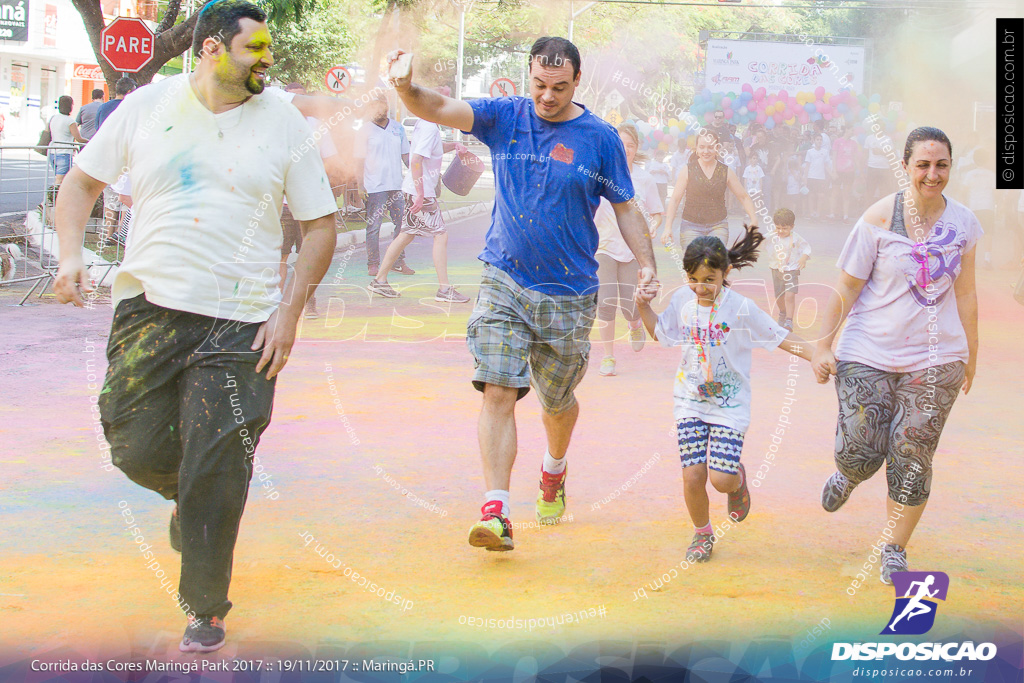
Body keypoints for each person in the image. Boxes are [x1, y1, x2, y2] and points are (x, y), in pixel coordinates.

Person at [52, 0, 340, 651]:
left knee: (218, 458)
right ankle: (187, 497)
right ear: (210, 49)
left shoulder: (283, 123)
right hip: (149, 307)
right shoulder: (146, 106)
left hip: (242, 322)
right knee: (131, 443)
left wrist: (290, 311)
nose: (266, 60)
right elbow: (79, 185)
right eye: (253, 49)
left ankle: (204, 606)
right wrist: (70, 256)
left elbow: (321, 223)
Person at [387, 36, 658, 550]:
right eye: (539, 84)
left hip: (569, 292)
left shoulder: (599, 139)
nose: (547, 96)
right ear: (528, 76)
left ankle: (553, 470)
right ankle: (496, 511)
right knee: (498, 388)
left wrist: (646, 264)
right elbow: (439, 106)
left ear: (578, 82)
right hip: (504, 277)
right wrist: (404, 85)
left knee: (557, 403)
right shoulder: (505, 117)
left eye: (558, 87)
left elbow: (625, 206)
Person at [812, 127, 980, 585]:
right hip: (868, 350)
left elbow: (965, 292)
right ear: (905, 167)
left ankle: (893, 547)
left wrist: (971, 352)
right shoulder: (878, 218)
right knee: (862, 452)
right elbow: (846, 286)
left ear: (950, 167)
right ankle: (848, 475)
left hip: (937, 356)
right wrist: (824, 344)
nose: (932, 173)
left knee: (912, 453)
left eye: (941, 164)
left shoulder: (963, 223)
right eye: (923, 165)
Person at [635, 225, 816, 562]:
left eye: (708, 279)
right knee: (692, 474)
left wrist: (816, 354)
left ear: (726, 272)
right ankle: (702, 534)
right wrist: (643, 307)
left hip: (729, 406)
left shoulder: (740, 307)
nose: (700, 287)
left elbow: (779, 336)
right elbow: (662, 333)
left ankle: (737, 480)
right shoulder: (681, 300)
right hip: (689, 400)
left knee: (720, 479)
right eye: (693, 279)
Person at [367, 88, 470, 304]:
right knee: (440, 235)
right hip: (420, 192)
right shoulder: (430, 126)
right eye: (444, 100)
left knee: (406, 233)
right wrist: (422, 194)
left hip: (415, 190)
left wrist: (454, 146)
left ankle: (380, 280)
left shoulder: (426, 123)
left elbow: (432, 149)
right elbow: (415, 160)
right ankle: (444, 289)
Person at [594, 121, 663, 376]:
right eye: (620, 145)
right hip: (603, 246)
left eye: (630, 145)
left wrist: (653, 226)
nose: (625, 150)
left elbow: (656, 213)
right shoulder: (598, 173)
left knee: (630, 305)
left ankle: (635, 323)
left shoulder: (645, 179)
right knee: (605, 302)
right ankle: (608, 357)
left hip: (632, 250)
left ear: (636, 149)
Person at [663, 130, 760, 251]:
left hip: (718, 226)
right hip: (690, 226)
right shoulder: (687, 170)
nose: (706, 151)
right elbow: (675, 199)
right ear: (697, 149)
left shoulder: (726, 171)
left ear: (717, 148)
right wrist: (668, 227)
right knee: (694, 266)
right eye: (702, 147)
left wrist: (753, 219)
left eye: (710, 147)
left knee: (714, 264)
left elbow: (744, 197)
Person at [358, 93, 414, 277]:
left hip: (396, 186)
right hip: (375, 187)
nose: (379, 111)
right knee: (374, 227)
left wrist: (416, 175)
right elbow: (358, 160)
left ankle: (398, 261)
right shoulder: (364, 130)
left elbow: (406, 156)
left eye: (381, 107)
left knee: (401, 225)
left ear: (386, 107)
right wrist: (360, 185)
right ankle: (372, 264)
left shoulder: (398, 129)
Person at [765, 208, 811, 329]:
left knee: (790, 295)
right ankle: (783, 313)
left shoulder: (796, 238)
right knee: (779, 297)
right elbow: (759, 240)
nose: (781, 231)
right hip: (776, 269)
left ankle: (789, 321)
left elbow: (806, 248)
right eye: (778, 227)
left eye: (784, 228)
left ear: (792, 226)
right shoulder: (772, 236)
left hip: (792, 269)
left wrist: (803, 258)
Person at [962, 149, 995, 269]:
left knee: (973, 234)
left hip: (973, 207)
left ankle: (972, 259)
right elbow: (995, 192)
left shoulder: (969, 174)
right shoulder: (991, 174)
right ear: (987, 159)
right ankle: (987, 259)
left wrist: (963, 205)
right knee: (989, 233)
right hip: (988, 206)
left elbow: (964, 191)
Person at [47, 96, 86, 184]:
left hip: (53, 151)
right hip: (64, 152)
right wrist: (90, 141)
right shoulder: (70, 121)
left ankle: (55, 196)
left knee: (59, 178)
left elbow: (47, 131)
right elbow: (78, 138)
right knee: (60, 180)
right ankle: (55, 197)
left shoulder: (53, 118)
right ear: (70, 106)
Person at [830, 126, 859, 221]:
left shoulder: (854, 143)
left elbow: (855, 158)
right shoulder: (837, 142)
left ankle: (845, 215)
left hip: (849, 171)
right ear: (846, 130)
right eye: (851, 130)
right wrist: (834, 170)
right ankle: (832, 214)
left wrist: (858, 170)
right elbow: (834, 157)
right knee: (835, 193)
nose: (852, 132)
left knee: (846, 194)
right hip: (838, 171)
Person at [803, 135, 831, 219]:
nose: (819, 141)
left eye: (820, 140)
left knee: (821, 195)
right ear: (814, 141)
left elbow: (826, 165)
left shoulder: (825, 152)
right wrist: (805, 178)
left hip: (821, 177)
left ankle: (818, 213)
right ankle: (812, 213)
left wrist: (831, 174)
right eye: (817, 139)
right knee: (811, 195)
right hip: (811, 176)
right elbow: (807, 166)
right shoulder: (810, 152)